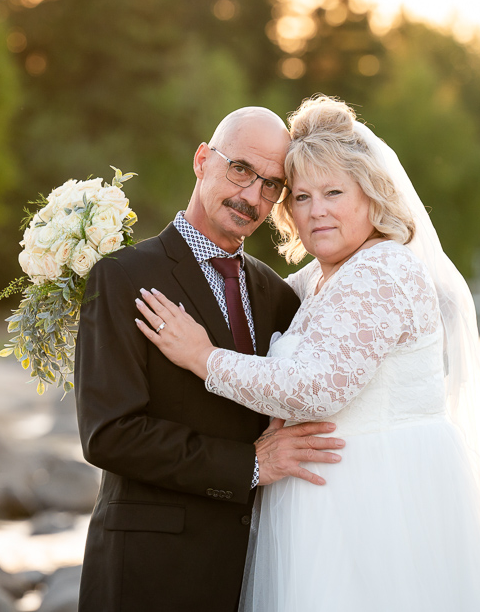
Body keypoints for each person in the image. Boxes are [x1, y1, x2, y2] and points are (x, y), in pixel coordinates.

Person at [136, 96, 480, 611]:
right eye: (300, 196)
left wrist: (203, 358)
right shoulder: (315, 279)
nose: (316, 211)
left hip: (380, 506)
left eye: (333, 192)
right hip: (320, 504)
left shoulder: (385, 269)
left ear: (370, 195)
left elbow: (316, 388)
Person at [74, 107, 348, 612]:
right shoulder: (121, 276)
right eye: (240, 169)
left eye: (272, 185)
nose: (251, 196)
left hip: (254, 570)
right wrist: (248, 465)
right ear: (203, 160)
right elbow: (108, 432)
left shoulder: (277, 294)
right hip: (147, 571)